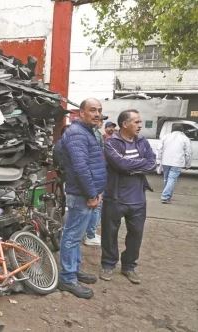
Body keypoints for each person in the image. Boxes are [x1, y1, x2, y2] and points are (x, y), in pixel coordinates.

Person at [100, 109, 156, 284]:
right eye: (136, 122)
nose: (140, 125)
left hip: (138, 198)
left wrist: (132, 167)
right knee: (110, 233)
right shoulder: (111, 143)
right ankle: (108, 264)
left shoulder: (142, 141)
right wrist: (139, 165)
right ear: (125, 124)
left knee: (136, 234)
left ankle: (129, 266)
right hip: (115, 197)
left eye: (140, 122)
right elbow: (121, 165)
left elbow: (152, 163)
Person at [58, 98, 106, 299]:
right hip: (81, 195)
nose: (97, 114)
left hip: (86, 193)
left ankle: (74, 270)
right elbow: (81, 167)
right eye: (92, 110)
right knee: (71, 236)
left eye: (99, 110)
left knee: (75, 236)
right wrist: (91, 194)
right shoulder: (77, 133)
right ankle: (67, 279)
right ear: (81, 113)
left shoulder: (87, 132)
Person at [157, 124, 192, 204]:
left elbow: (159, 149)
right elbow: (188, 152)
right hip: (177, 162)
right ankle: (165, 197)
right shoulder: (185, 138)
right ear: (182, 130)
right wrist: (188, 164)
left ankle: (168, 196)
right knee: (172, 179)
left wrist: (158, 161)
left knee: (167, 179)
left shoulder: (165, 137)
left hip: (165, 161)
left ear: (172, 129)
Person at [84, 115, 105, 246]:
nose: (101, 122)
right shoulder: (93, 134)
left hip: (95, 175)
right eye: (100, 120)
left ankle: (90, 233)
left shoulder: (95, 133)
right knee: (96, 206)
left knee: (95, 207)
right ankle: (90, 235)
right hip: (94, 176)